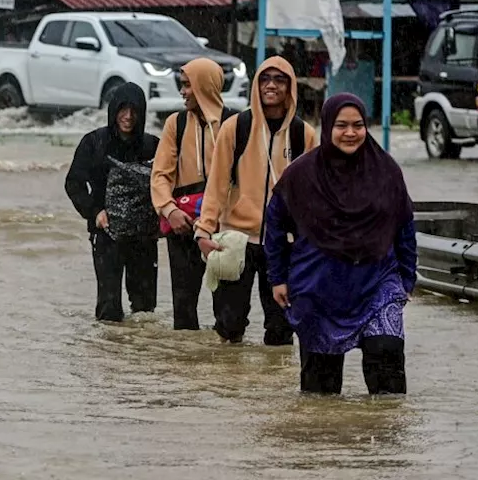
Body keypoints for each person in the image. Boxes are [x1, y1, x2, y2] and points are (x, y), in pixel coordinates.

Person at [264, 94, 416, 394]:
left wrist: (407, 278)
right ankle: (327, 439)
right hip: (319, 284)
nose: (350, 133)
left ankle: (385, 434)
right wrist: (278, 277)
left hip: (377, 281)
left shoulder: (386, 171)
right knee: (321, 391)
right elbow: (275, 225)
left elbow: (404, 225)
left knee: (387, 360)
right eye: (341, 125)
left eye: (358, 125)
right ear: (327, 127)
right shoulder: (301, 175)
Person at [194, 56, 318, 345]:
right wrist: (203, 231)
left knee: (281, 330)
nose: (271, 85)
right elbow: (216, 185)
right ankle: (232, 386)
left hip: (283, 243)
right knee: (229, 326)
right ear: (256, 85)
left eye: (279, 79)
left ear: (291, 87)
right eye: (265, 79)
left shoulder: (304, 135)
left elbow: (313, 196)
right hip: (236, 240)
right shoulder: (236, 128)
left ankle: (272, 389)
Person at [150, 58, 239, 330]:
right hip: (182, 225)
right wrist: (169, 210)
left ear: (205, 85)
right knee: (184, 307)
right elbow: (161, 174)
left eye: (188, 85)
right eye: (182, 85)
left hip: (223, 225)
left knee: (228, 312)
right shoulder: (175, 124)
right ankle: (186, 367)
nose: (183, 91)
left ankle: (221, 368)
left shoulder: (235, 122)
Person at [65, 83, 161, 322]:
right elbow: (73, 183)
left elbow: (167, 183)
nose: (128, 117)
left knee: (145, 308)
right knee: (109, 308)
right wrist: (94, 212)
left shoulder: (153, 146)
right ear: (113, 110)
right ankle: (109, 354)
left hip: (144, 236)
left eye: (134, 111)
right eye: (122, 110)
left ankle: (142, 354)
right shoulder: (94, 143)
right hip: (106, 233)